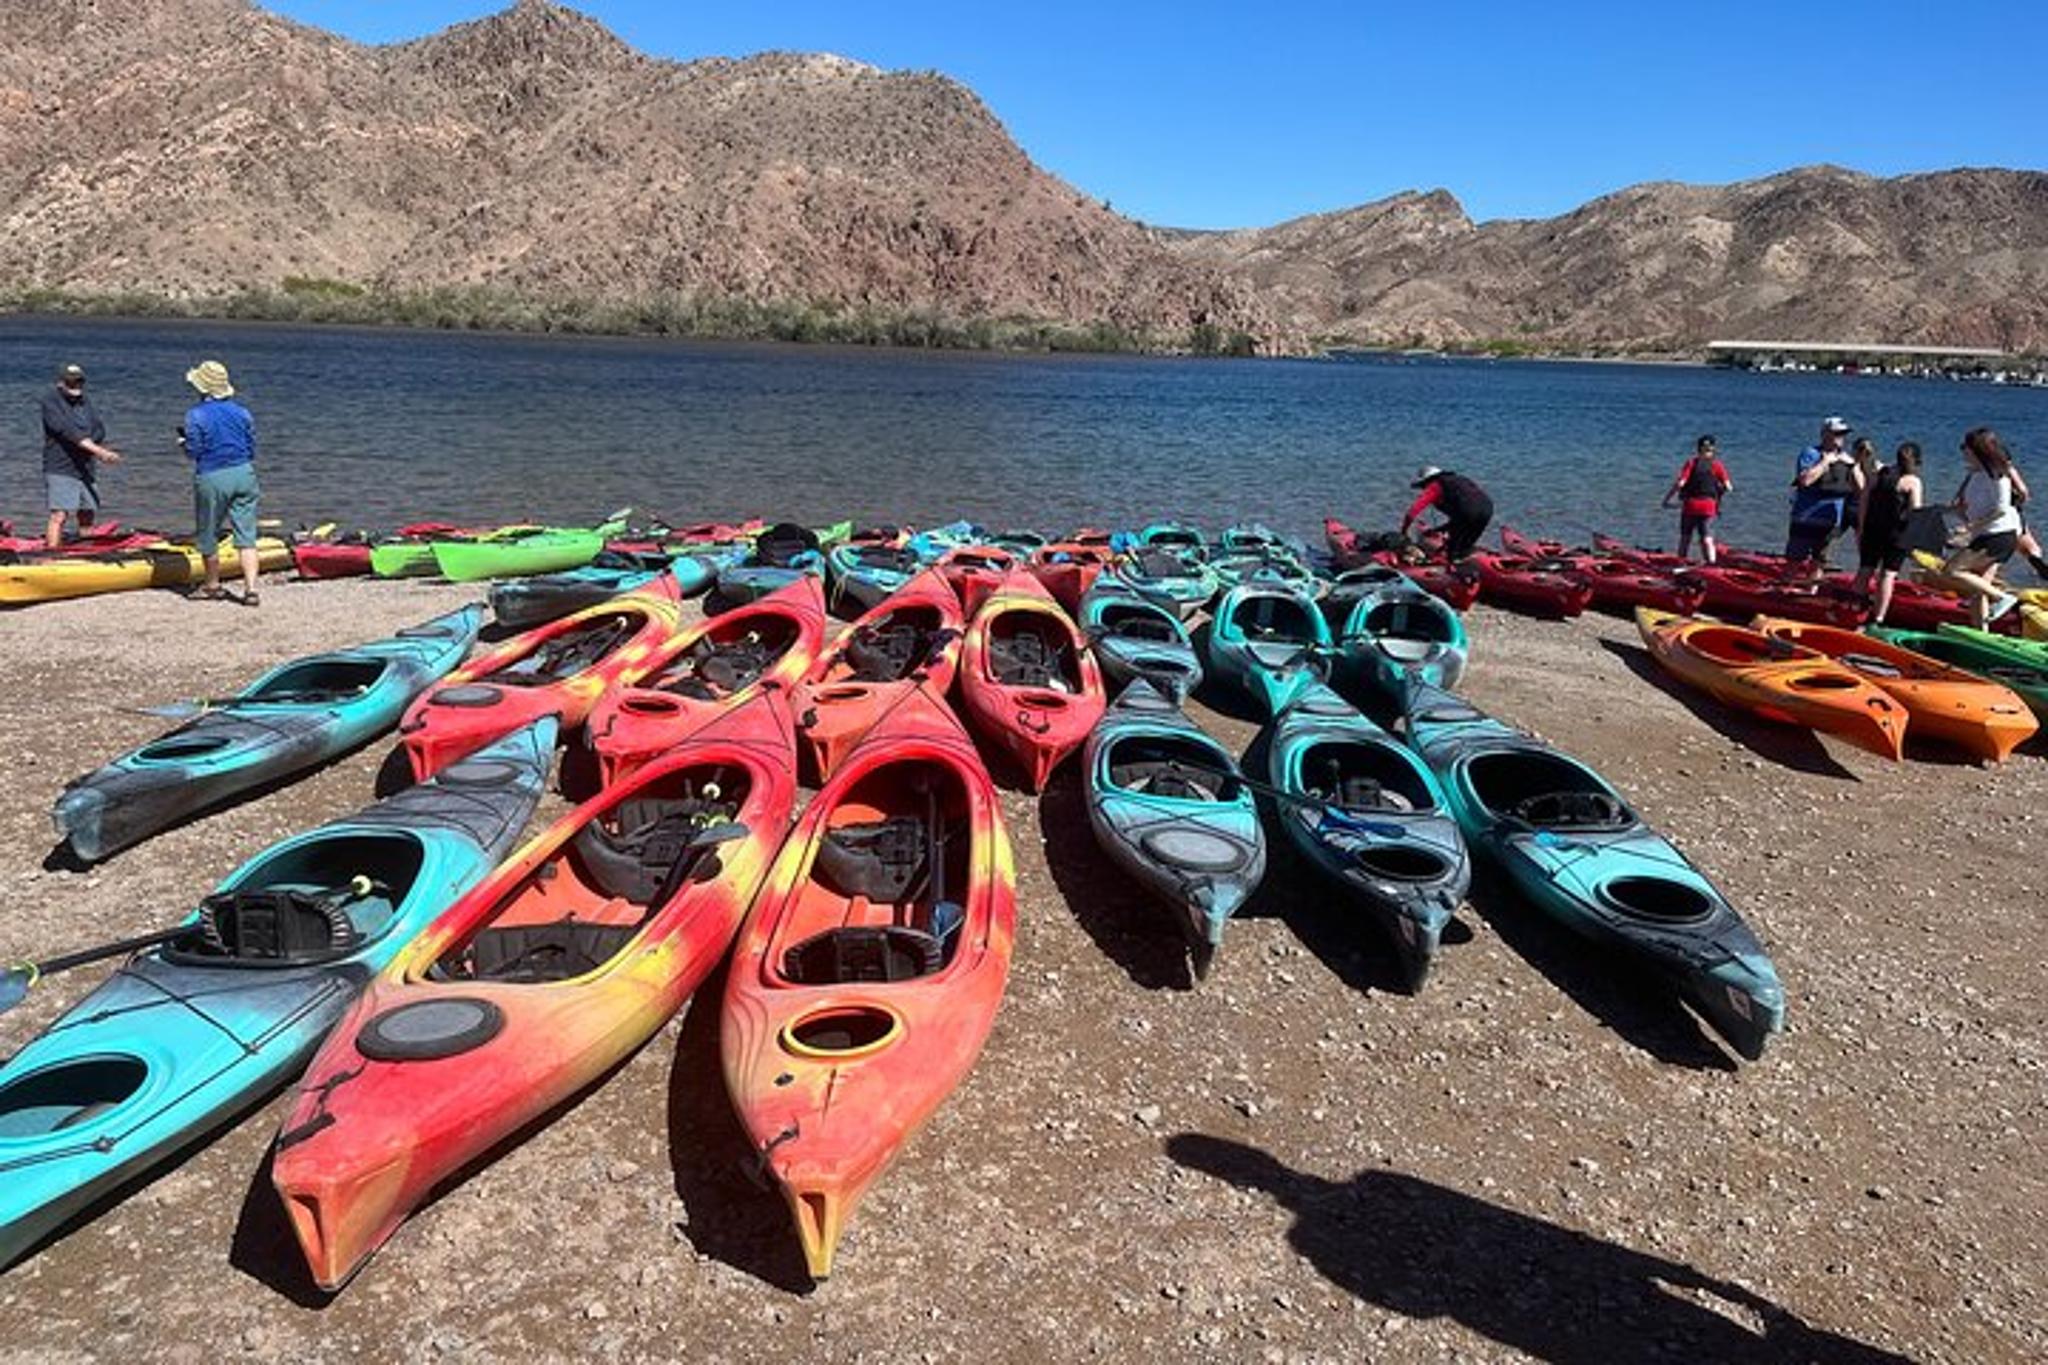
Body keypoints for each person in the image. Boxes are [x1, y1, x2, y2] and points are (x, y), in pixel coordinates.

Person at [180, 360, 262, 605]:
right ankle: (251, 590)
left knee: (208, 532)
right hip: (244, 472)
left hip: (213, 474)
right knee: (246, 535)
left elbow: (194, 451)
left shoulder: (195, 414)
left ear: (202, 388)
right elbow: (251, 448)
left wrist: (183, 444)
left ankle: (212, 585)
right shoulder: (243, 412)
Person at [1942, 427, 2022, 627]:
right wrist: (1956, 512)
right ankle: (1981, 631)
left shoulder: (1997, 475)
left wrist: (1969, 527)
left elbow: (2001, 510)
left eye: (1967, 448)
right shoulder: (1976, 474)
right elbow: (1974, 508)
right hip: (1986, 534)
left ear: (1978, 450)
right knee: (1978, 588)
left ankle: (2002, 597)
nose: (1963, 452)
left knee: (1951, 570)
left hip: (1999, 535)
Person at [38, 362, 122, 548]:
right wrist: (99, 451)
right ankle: (50, 554)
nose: (76, 386)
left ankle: (85, 552)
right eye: (71, 382)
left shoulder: (85, 402)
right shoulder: (50, 401)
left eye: (79, 382)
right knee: (59, 514)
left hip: (85, 467)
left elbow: (98, 429)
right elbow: (67, 431)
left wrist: (93, 444)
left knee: (87, 512)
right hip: (60, 467)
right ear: (60, 383)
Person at [1850, 442, 1921, 625]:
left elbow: (1863, 503)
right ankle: (1878, 618)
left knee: (1865, 569)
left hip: (1873, 529)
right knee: (1888, 575)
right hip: (1897, 533)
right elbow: (1916, 512)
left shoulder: (1876, 476)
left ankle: (1853, 609)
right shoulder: (1912, 481)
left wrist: (1861, 527)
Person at [1785, 416, 1863, 572]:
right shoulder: (1811, 453)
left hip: (1830, 522)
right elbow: (1805, 480)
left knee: (1820, 561)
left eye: (1843, 434)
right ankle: (1787, 587)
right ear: (1825, 434)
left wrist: (1854, 466)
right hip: (1805, 519)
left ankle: (1812, 591)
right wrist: (1825, 462)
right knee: (1795, 559)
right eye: (1837, 433)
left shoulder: (1847, 460)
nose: (1841, 438)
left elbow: (1861, 489)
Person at [1661, 435, 1732, 563]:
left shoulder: (1691, 463)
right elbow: (1728, 487)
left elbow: (1680, 483)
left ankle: (1680, 562)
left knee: (1685, 538)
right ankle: (1711, 566)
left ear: (1698, 449)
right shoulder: (1717, 465)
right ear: (1713, 449)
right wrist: (1718, 493)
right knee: (1707, 539)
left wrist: (1666, 500)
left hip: (1690, 506)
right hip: (1708, 507)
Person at [1401, 465, 1493, 560]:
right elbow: (1461, 517)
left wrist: (1404, 531)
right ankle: (1468, 563)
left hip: (1468, 512)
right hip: (1487, 509)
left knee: (1453, 551)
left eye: (1423, 486)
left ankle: (1452, 567)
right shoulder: (1459, 480)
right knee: (1465, 547)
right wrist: (1439, 530)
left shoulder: (1435, 486)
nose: (1424, 489)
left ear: (1427, 481)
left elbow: (1412, 512)